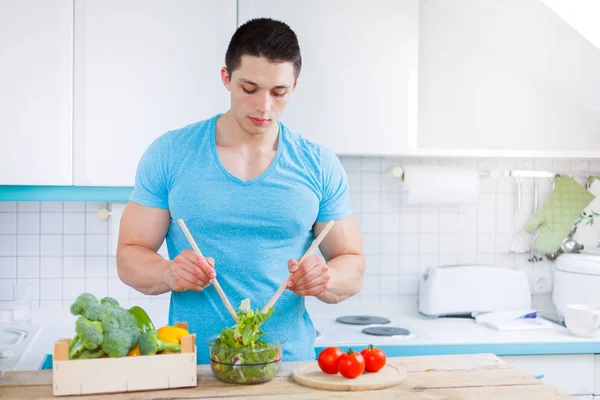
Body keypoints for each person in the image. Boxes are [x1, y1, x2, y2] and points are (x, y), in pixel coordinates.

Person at [116, 17, 365, 363]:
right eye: (250, 89)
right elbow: (129, 255)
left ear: (294, 87)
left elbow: (352, 263)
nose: (264, 107)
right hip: (193, 369)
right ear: (226, 79)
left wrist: (326, 278)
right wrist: (168, 272)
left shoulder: (320, 165)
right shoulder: (171, 154)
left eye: (279, 93)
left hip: (288, 368)